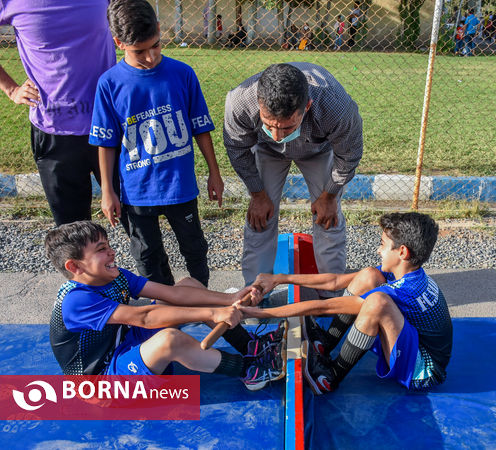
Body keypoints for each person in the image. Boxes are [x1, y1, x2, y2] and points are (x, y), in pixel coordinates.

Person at [45, 220, 285, 390]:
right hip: (102, 384)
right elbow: (145, 317)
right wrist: (214, 312)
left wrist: (229, 300)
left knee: (188, 283)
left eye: (108, 245)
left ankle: (250, 345)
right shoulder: (76, 300)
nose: (112, 252)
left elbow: (173, 294)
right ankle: (250, 370)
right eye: (101, 250)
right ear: (74, 267)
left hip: (124, 346)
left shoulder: (115, 276)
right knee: (169, 339)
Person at [240, 212, 453, 394]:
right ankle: (325, 343)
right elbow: (334, 281)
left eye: (382, 245)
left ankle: (331, 376)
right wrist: (278, 279)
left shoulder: (406, 289)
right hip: (417, 347)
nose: (379, 251)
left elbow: (324, 307)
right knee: (368, 275)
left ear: (403, 252)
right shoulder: (407, 272)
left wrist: (260, 314)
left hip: (425, 372)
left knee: (376, 303)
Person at [89, 0, 224, 288]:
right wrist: (107, 191)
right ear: (118, 42)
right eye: (139, 51)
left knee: (195, 248)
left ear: (160, 31)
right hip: (137, 192)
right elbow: (106, 143)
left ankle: (201, 296)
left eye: (156, 46)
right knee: (147, 255)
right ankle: (163, 304)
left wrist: (214, 172)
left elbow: (201, 128)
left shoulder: (183, 74)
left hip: (180, 186)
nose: (150, 57)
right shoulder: (109, 84)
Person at [223, 62, 363, 299]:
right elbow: (237, 149)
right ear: (259, 104)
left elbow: (349, 155)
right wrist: (257, 194)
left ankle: (330, 294)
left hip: (318, 148)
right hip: (265, 150)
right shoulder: (239, 100)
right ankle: (255, 293)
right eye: (269, 124)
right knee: (260, 217)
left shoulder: (335, 106)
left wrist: (329, 195)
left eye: (287, 127)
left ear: (307, 106)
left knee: (328, 218)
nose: (277, 136)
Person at [0, 0, 116, 226]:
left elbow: (133, 23)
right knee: (73, 234)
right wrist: (11, 89)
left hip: (110, 124)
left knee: (139, 222)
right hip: (53, 131)